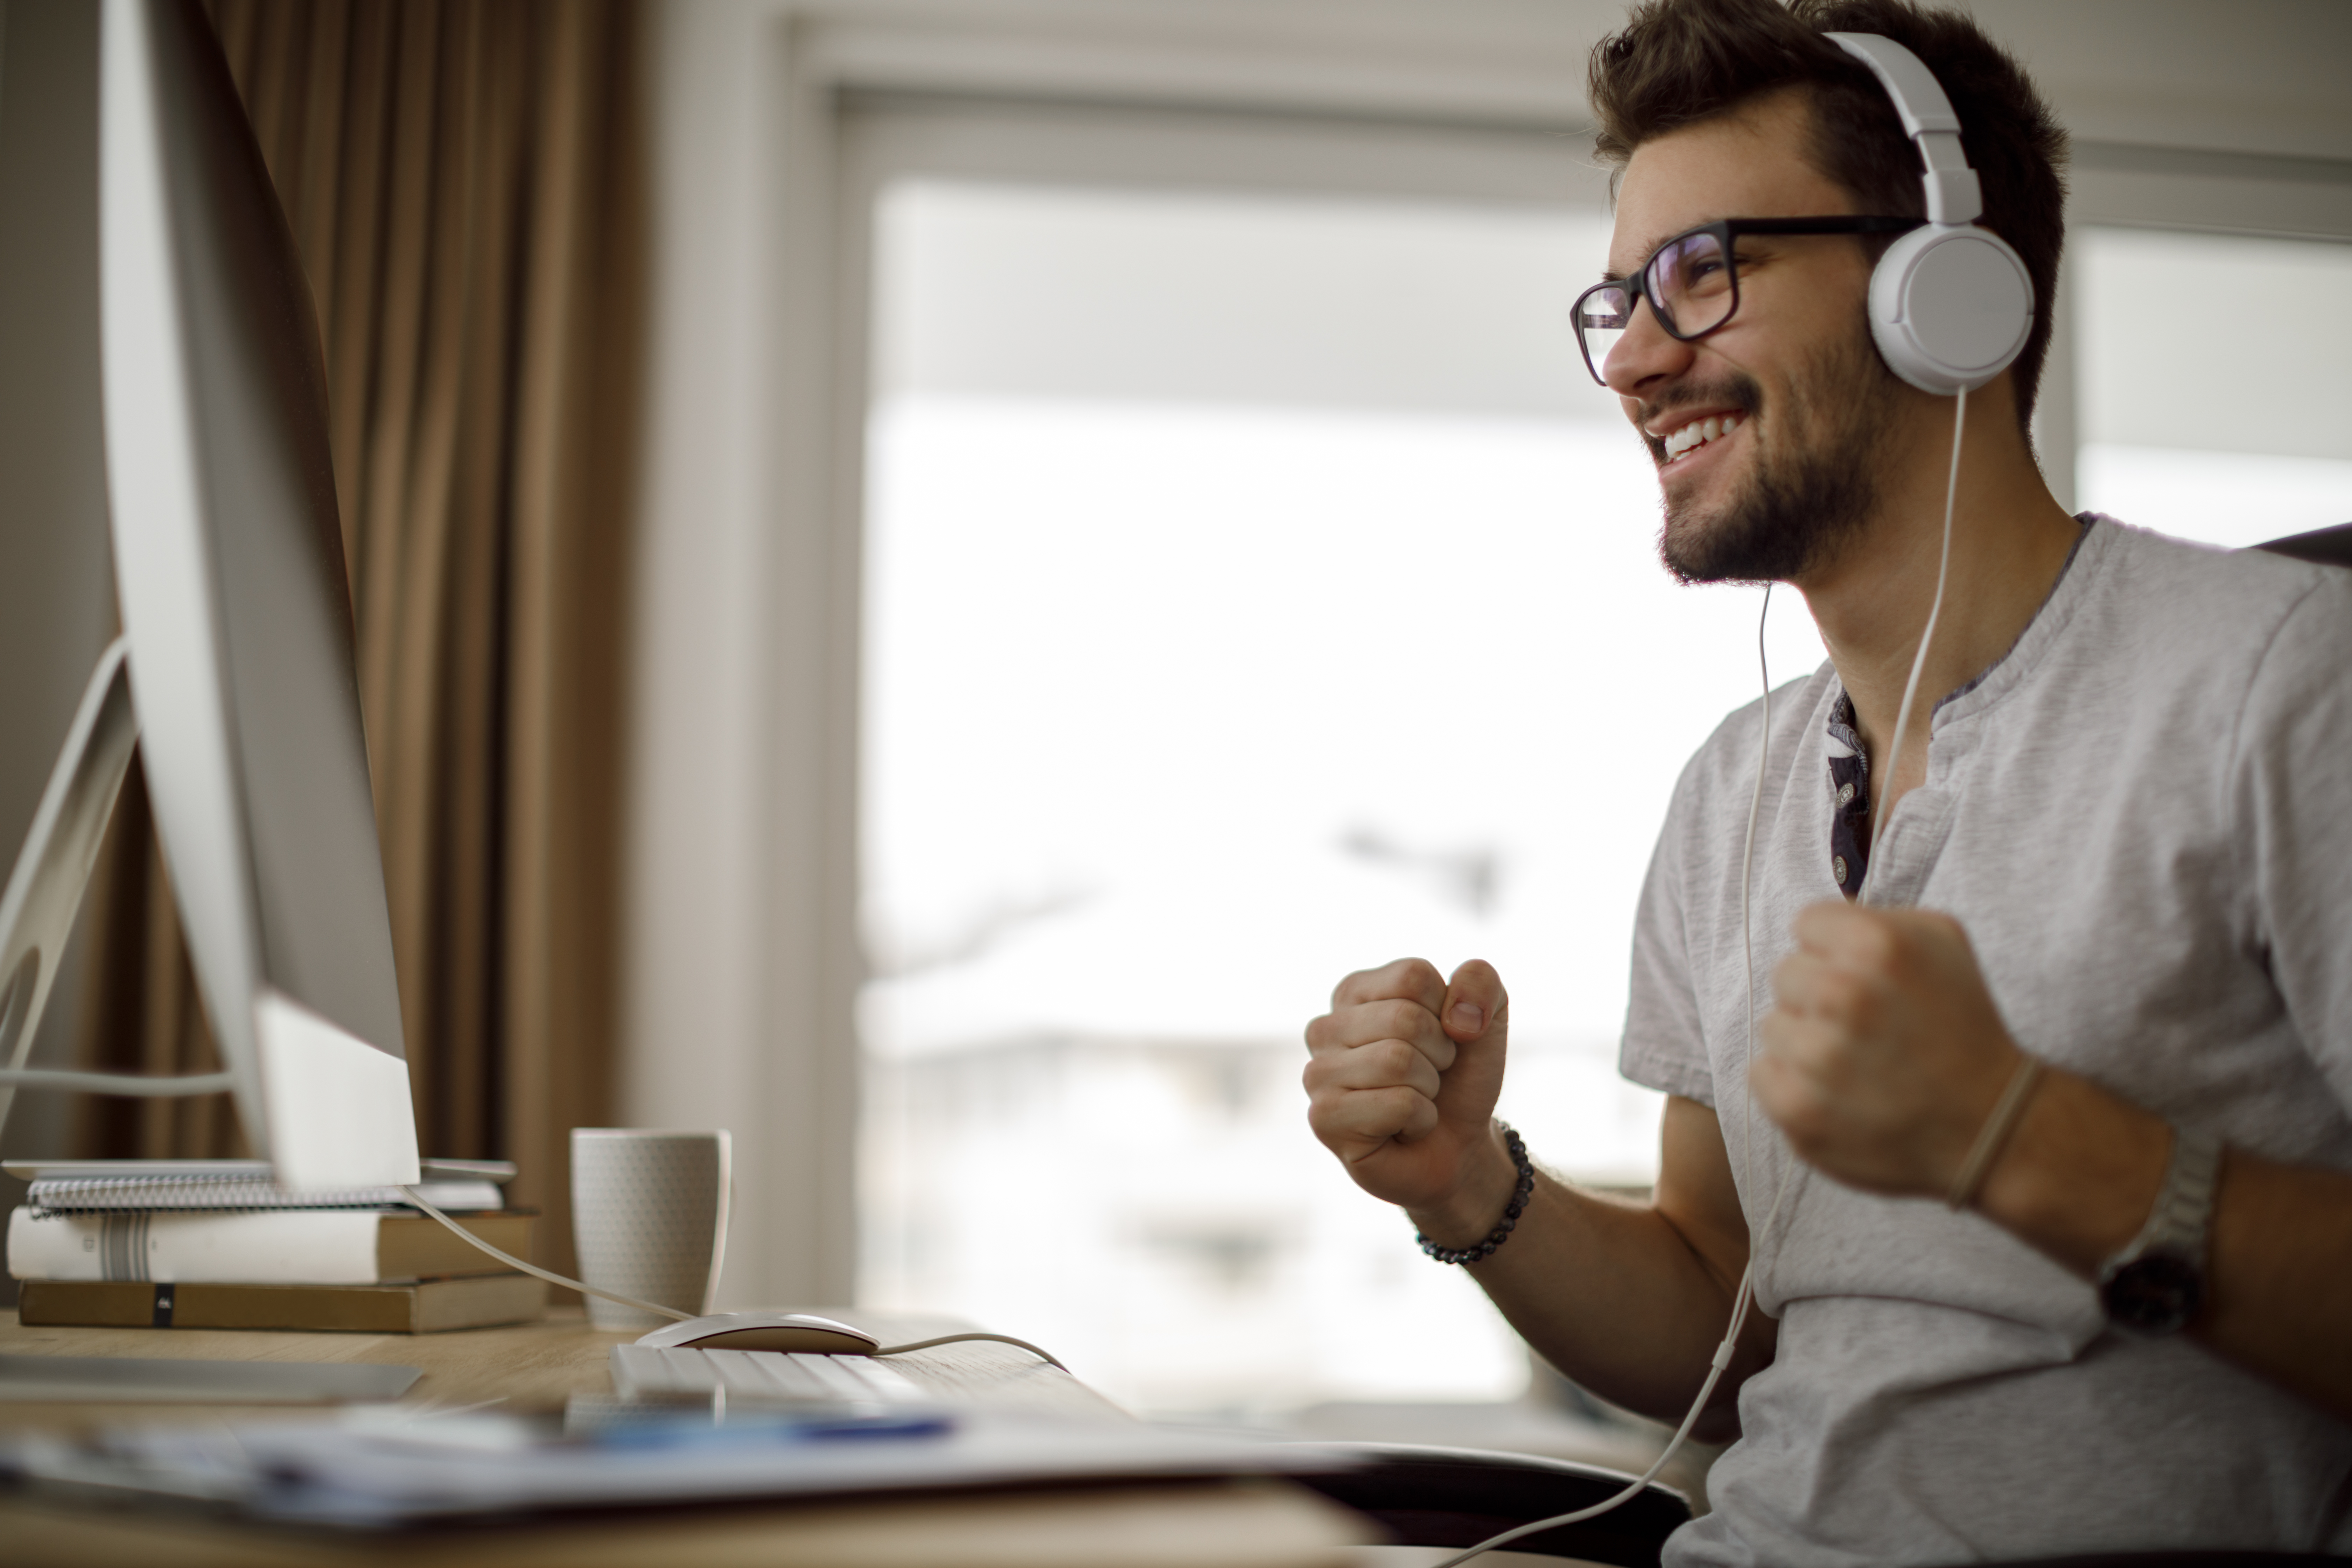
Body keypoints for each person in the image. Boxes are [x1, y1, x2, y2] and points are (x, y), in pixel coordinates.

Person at [1301, 0, 2352, 1561]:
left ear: (1950, 290)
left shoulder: (2284, 680)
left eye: (1703, 274)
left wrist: (2018, 1134)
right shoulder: (1737, 788)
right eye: (1617, 301)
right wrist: (1470, 1188)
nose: (1639, 362)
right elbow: (1729, 1333)